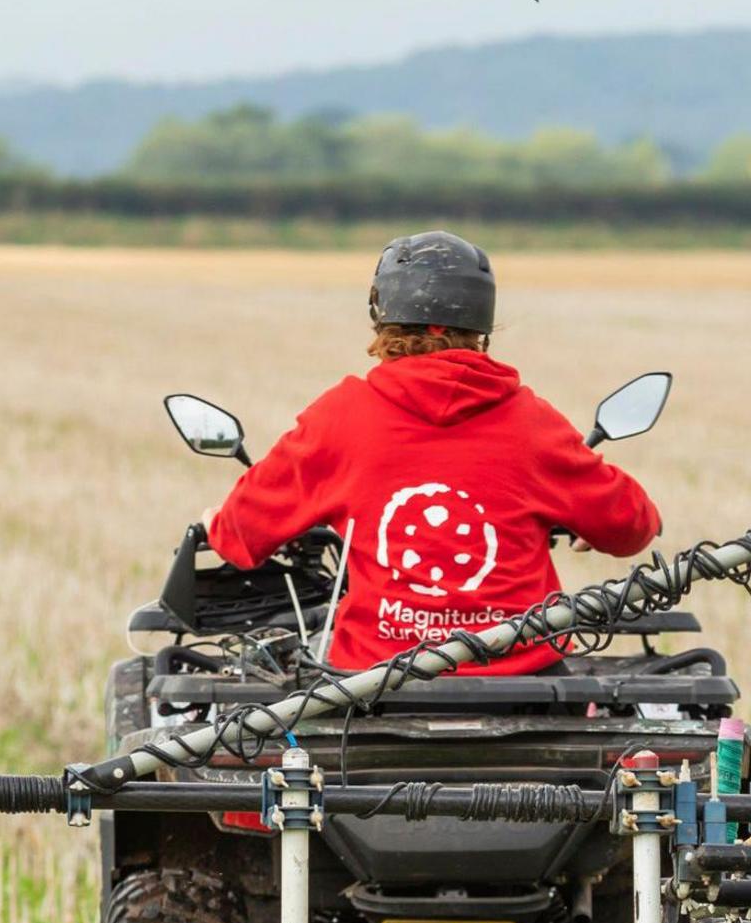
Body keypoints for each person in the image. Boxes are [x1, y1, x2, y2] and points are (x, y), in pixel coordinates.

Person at [208, 231, 661, 675]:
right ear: (481, 326)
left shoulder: (340, 417)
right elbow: (633, 527)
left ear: (382, 316)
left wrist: (218, 523)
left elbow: (238, 536)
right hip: (522, 684)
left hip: (372, 690)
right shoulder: (532, 423)